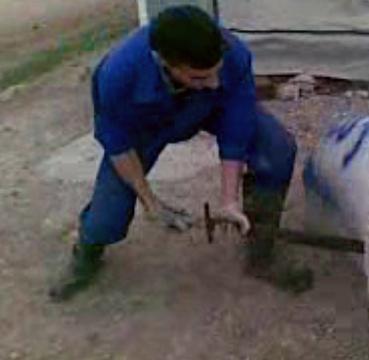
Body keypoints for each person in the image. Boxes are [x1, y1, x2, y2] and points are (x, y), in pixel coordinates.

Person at [49, 5, 312, 302]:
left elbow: (237, 126)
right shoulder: (117, 75)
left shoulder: (234, 54)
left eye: (217, 72)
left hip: (210, 108)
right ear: (165, 62)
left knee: (276, 150)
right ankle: (87, 251)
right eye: (200, 77)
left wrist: (228, 199)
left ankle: (260, 248)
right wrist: (150, 202)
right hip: (146, 125)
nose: (214, 83)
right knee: (108, 214)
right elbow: (117, 143)